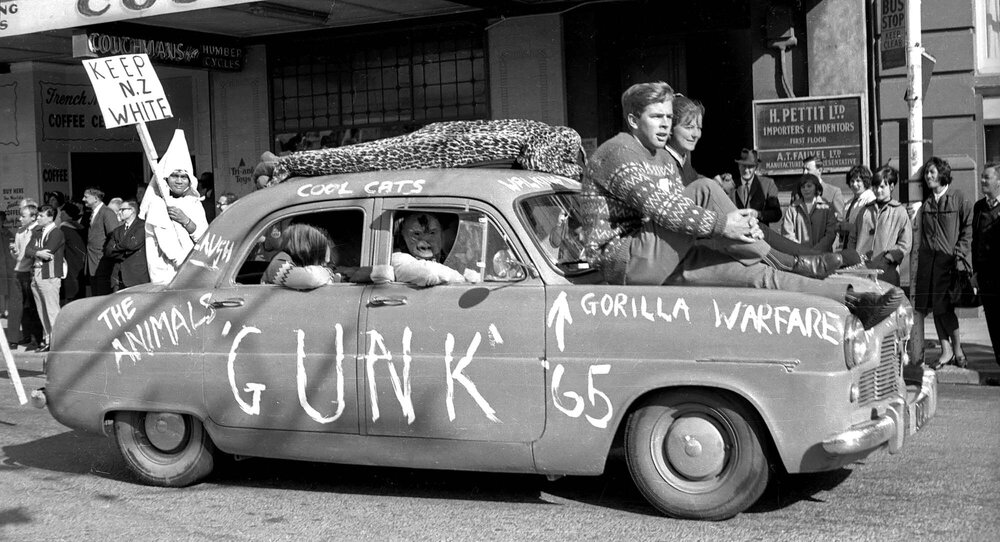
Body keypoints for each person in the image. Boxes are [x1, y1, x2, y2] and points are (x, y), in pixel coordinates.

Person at [580, 81, 901, 329]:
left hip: (662, 258)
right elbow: (664, 209)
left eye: (667, 117)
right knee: (705, 188)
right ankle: (791, 261)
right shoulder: (619, 151)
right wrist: (725, 225)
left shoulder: (661, 158)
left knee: (758, 274)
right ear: (633, 120)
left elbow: (680, 220)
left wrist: (732, 234)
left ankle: (855, 302)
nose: (664, 125)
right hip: (626, 261)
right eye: (656, 117)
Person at [911, 156, 974, 369]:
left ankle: (956, 350)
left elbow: (968, 227)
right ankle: (947, 351)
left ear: (942, 174)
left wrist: (960, 253)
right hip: (929, 265)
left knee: (944, 308)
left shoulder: (958, 198)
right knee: (936, 308)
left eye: (932, 172)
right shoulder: (925, 203)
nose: (928, 176)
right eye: (926, 173)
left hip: (950, 264)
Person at [846, 166, 911, 287]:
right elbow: (853, 238)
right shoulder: (865, 210)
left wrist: (888, 258)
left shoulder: (899, 212)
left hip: (886, 272)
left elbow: (905, 244)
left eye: (882, 187)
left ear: (891, 186)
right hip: (862, 271)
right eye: (875, 187)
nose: (878, 190)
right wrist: (854, 258)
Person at [142, 168, 210, 284]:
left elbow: (204, 238)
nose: (179, 181)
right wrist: (188, 269)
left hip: (193, 273)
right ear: (166, 179)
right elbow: (168, 245)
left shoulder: (195, 203)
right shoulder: (157, 204)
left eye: (183, 177)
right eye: (174, 176)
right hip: (169, 276)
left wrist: (186, 220)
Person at [24, 205, 65, 353]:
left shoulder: (57, 233)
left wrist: (35, 251)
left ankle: (57, 342)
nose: (38, 218)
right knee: (42, 310)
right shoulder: (37, 232)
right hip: (36, 273)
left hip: (49, 274)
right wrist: (37, 252)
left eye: (41, 216)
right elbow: (27, 250)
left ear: (50, 217)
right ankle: (47, 340)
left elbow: (49, 252)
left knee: (52, 310)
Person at [391, 212, 470, 287]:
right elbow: (428, 273)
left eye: (432, 233)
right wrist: (462, 280)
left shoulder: (453, 260)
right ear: (403, 236)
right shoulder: (397, 259)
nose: (425, 244)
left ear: (442, 234)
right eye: (416, 234)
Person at [972, 162, 1000, 367]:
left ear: (999, 181)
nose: (982, 180)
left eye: (986, 177)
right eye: (982, 176)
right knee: (994, 323)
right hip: (985, 276)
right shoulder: (979, 207)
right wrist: (975, 273)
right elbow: (975, 241)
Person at [262, 223, 342, 290]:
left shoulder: (296, 265)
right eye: (321, 258)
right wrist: (329, 272)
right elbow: (311, 278)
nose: (325, 263)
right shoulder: (278, 263)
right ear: (308, 249)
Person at [11, 202, 43, 350]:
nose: (20, 219)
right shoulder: (19, 232)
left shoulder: (38, 230)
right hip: (19, 271)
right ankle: (27, 335)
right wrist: (14, 252)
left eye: (23, 216)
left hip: (30, 272)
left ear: (33, 217)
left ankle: (37, 338)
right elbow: (18, 254)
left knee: (33, 306)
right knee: (22, 306)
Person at [781, 174, 838, 251]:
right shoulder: (792, 209)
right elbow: (787, 233)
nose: (806, 189)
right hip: (799, 254)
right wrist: (801, 250)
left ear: (816, 187)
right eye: (803, 187)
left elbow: (830, 233)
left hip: (822, 254)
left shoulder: (827, 208)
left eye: (809, 186)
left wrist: (817, 250)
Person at [82, 187, 120, 296]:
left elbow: (114, 235)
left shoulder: (107, 212)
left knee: (102, 295)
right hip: (94, 262)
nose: (83, 199)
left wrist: (107, 254)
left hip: (102, 262)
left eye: (86, 197)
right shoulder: (94, 213)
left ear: (95, 198)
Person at [104, 199, 149, 289]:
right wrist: (123, 249)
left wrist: (116, 247)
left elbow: (131, 245)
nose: (119, 212)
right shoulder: (117, 230)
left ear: (132, 210)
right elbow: (108, 251)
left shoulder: (142, 226)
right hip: (118, 277)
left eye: (122, 210)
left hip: (136, 277)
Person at [731, 148, 781, 226]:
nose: (746, 170)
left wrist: (758, 214)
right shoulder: (731, 185)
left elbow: (776, 214)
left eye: (750, 167)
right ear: (738, 166)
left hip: (759, 231)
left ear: (756, 167)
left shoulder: (767, 184)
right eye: (743, 166)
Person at [663, 95, 704, 186]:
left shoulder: (685, 163)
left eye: (699, 128)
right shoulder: (661, 164)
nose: (696, 134)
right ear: (670, 128)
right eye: (689, 127)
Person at [836, 165, 876, 250]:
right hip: (848, 247)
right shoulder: (849, 203)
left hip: (863, 248)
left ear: (865, 181)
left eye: (858, 181)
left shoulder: (870, 200)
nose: (854, 184)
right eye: (852, 181)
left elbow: (869, 228)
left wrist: (849, 227)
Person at [58, 204, 86, 304]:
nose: (60, 216)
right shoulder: (80, 228)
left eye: (62, 214)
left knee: (70, 292)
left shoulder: (64, 228)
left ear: (68, 215)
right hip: (80, 262)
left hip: (70, 262)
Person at [802, 156, 846, 220]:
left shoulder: (834, 192)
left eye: (808, 169)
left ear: (819, 170)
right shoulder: (797, 192)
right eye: (803, 169)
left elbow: (840, 218)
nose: (804, 172)